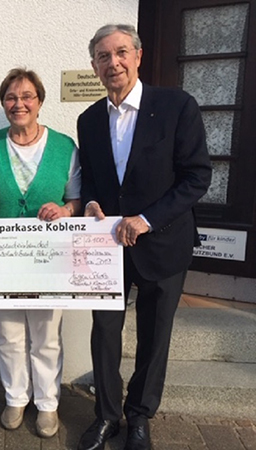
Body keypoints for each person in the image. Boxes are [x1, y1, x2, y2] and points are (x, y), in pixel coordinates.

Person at [76, 24, 212, 450]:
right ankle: (107, 416)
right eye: (102, 55)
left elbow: (196, 177)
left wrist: (147, 219)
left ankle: (139, 417)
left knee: (154, 338)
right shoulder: (89, 119)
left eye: (120, 52)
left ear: (137, 54)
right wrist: (92, 206)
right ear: (95, 66)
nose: (112, 62)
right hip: (107, 250)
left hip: (163, 242)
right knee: (104, 334)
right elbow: (96, 182)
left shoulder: (176, 106)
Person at [0, 68, 81, 438]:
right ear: (4, 104)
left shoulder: (65, 147)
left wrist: (65, 211)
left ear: (40, 102)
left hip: (49, 257)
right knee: (9, 333)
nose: (19, 104)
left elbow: (75, 199)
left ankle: (48, 404)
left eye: (27, 96)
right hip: (3, 256)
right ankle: (16, 397)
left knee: (47, 334)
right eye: (11, 98)